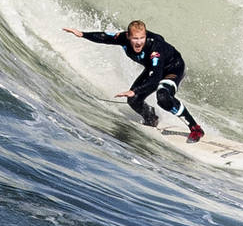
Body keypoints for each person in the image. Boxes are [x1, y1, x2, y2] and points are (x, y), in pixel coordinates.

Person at [67, 19, 205, 143]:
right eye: (135, 38)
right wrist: (82, 34)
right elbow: (105, 37)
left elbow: (155, 78)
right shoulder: (123, 38)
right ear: (128, 36)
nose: (139, 42)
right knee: (133, 100)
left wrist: (135, 90)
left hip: (173, 69)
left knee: (163, 96)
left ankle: (195, 128)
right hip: (153, 69)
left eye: (142, 38)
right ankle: (151, 118)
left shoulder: (155, 49)